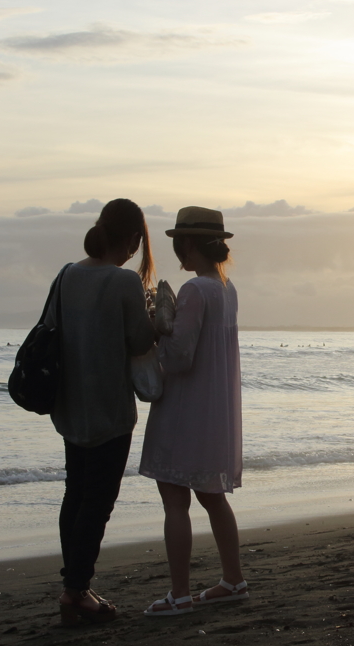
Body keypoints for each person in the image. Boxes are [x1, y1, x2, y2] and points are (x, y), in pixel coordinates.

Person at [50, 198, 156, 625]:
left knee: (75, 493)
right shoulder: (125, 282)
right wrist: (156, 317)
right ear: (132, 239)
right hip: (110, 410)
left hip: (71, 407)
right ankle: (76, 592)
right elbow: (140, 342)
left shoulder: (66, 275)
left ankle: (75, 585)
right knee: (98, 501)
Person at [139, 206, 245, 616]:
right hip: (214, 407)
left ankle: (179, 593)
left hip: (186, 408)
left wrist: (154, 333)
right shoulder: (226, 287)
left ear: (187, 244)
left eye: (176, 243)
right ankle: (233, 579)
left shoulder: (195, 290)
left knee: (174, 501)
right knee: (213, 498)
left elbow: (180, 356)